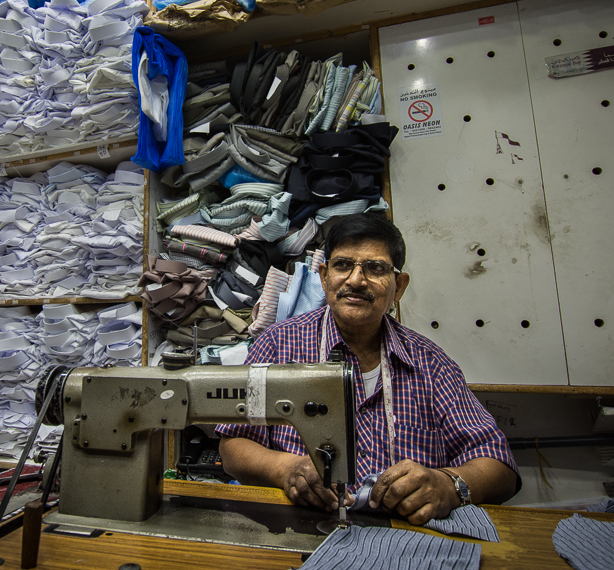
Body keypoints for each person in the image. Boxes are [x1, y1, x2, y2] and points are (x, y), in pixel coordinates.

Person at [216, 214, 520, 526]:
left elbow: (500, 468)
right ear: (324, 276)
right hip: (300, 530)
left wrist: (448, 484)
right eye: (343, 265)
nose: (356, 280)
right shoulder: (278, 346)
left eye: (375, 268)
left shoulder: (431, 365)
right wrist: (286, 469)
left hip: (409, 541)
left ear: (398, 286)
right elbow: (233, 446)